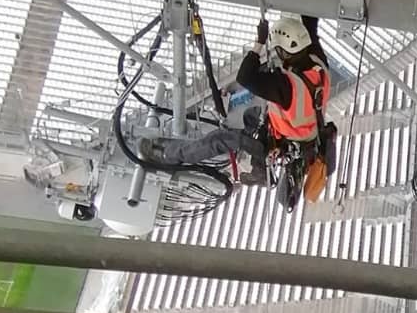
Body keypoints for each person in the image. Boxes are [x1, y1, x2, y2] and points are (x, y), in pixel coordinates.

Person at [140, 14, 330, 187]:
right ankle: (258, 167)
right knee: (250, 117)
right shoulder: (317, 62)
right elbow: (310, 24)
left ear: (282, 51)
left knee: (220, 139)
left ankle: (168, 155)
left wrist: (260, 43)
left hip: (284, 143)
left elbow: (245, 77)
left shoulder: (286, 86)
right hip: (301, 136)